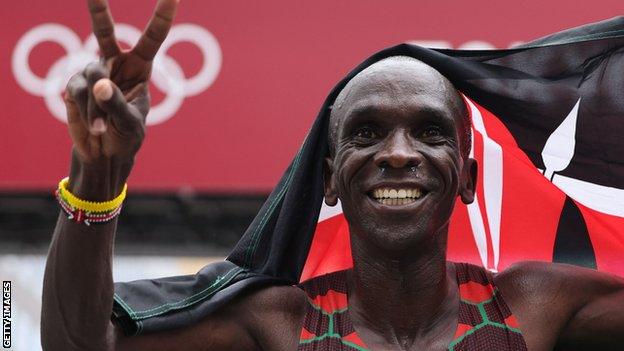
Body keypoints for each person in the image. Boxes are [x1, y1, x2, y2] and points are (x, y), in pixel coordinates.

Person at [41, 1, 624, 350]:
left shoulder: (534, 304)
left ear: (468, 178)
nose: (398, 154)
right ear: (328, 179)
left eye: (430, 132)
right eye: (366, 134)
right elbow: (77, 343)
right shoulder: (278, 322)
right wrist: (98, 174)